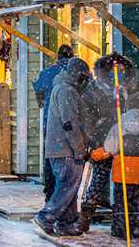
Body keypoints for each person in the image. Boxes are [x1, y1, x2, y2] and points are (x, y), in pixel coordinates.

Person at [34, 58, 91, 236]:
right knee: (67, 187)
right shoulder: (67, 91)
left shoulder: (62, 88)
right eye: (83, 77)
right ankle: (47, 215)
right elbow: (70, 123)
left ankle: (66, 223)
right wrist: (79, 149)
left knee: (69, 187)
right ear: (77, 75)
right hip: (65, 149)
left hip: (58, 148)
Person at [77, 53, 133, 233]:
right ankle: (85, 217)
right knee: (99, 179)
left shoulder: (119, 88)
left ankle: (120, 219)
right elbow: (87, 118)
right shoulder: (92, 91)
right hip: (103, 140)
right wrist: (93, 135)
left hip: (121, 138)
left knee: (119, 179)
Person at [104, 92, 139, 239]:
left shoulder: (119, 125)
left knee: (121, 202)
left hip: (122, 171)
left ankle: (121, 229)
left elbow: (110, 147)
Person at [33, 44, 74, 201]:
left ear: (58, 56)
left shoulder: (47, 72)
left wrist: (42, 102)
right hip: (71, 120)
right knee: (71, 157)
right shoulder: (74, 72)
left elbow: (38, 91)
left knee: (51, 156)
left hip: (50, 122)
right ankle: (66, 190)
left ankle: (50, 189)